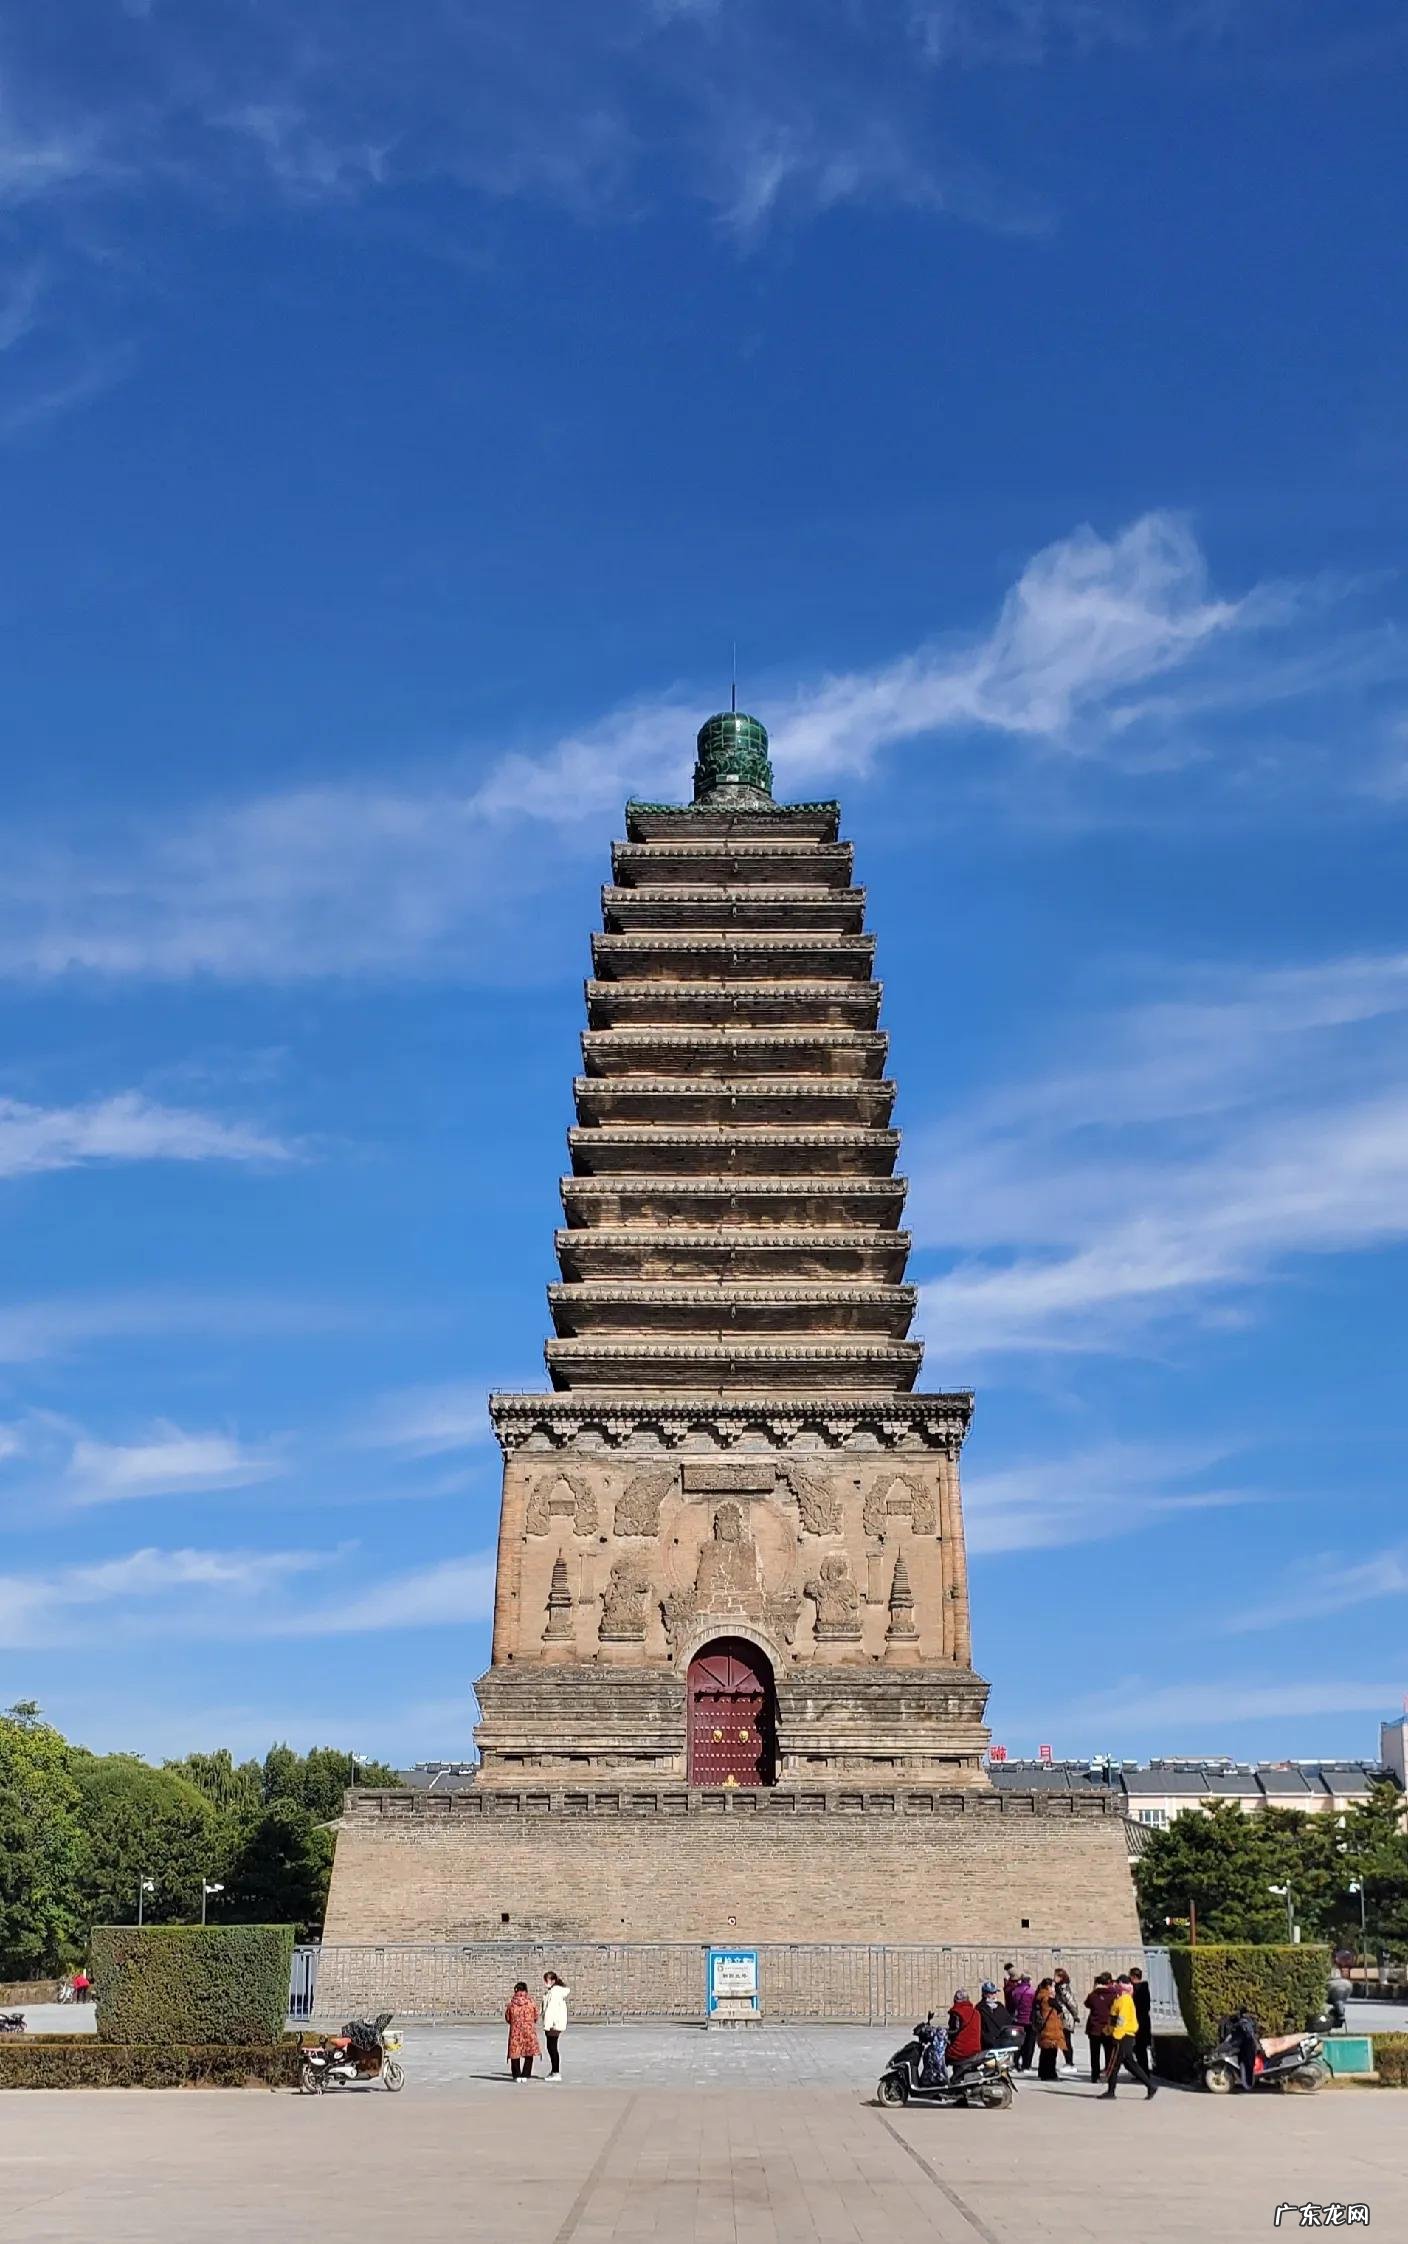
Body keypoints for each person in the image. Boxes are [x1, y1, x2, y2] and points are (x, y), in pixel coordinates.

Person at [1102, 1976, 1157, 2099]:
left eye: (1117, 1984)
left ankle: (1111, 2092)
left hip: (1123, 2035)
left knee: (1115, 2063)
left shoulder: (1125, 2000)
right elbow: (1113, 2018)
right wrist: (1107, 2030)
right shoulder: (1120, 1999)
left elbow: (1121, 2020)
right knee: (1129, 2063)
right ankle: (1150, 2086)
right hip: (1123, 2034)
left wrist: (1116, 2035)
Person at [1083, 1972, 1116, 2084]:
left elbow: (1087, 2004)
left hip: (1094, 2028)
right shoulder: (1113, 1994)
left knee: (1095, 2054)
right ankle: (1109, 2074)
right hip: (1108, 2028)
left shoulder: (1093, 1995)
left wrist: (1094, 1989)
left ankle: (1095, 2076)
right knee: (1109, 2053)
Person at [505, 1981, 540, 2082]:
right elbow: (536, 2016)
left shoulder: (512, 2004)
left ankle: (516, 2075)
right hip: (528, 2030)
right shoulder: (531, 2002)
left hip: (515, 2031)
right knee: (529, 2051)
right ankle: (526, 2073)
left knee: (515, 2052)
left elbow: (508, 2017)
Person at [1033, 1978, 1065, 2082]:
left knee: (1044, 2053)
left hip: (1043, 2028)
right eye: (1052, 1986)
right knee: (1051, 2054)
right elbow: (1060, 2008)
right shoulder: (1048, 1999)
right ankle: (1050, 2074)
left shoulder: (1039, 1996)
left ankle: (1042, 2073)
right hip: (1051, 2029)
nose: (1054, 1989)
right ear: (1048, 1987)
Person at [542, 1970, 570, 2082]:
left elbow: (551, 2010)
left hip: (554, 2024)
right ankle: (554, 2071)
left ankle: (556, 2072)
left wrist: (548, 2025)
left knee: (552, 2048)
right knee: (551, 2047)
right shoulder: (553, 1991)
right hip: (555, 2023)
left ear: (552, 1981)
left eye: (546, 1980)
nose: (545, 1983)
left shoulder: (555, 1992)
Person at [946, 1988, 982, 2071]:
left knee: (944, 2053)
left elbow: (954, 2030)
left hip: (960, 2051)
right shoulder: (976, 2013)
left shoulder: (957, 2013)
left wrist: (943, 2032)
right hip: (975, 2050)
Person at [1008, 1972, 1035, 2071]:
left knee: (1017, 2043)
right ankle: (1026, 2065)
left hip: (1018, 2020)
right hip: (1029, 2021)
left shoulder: (1016, 1991)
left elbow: (1012, 2004)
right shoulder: (1032, 1992)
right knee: (1029, 2044)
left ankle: (1015, 2063)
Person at [1128, 1965, 1153, 2076]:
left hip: (1137, 2021)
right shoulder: (1144, 1988)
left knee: (1139, 2049)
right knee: (1140, 2049)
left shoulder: (1135, 1989)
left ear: (1133, 1976)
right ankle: (1143, 2071)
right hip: (1144, 2021)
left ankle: (1142, 2072)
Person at [1052, 1967, 1078, 2070]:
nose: (1054, 1978)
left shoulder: (1063, 1988)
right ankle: (1068, 2061)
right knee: (1064, 2039)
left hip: (1065, 2016)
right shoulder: (1058, 1987)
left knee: (1066, 2040)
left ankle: (1069, 2062)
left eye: (1056, 1976)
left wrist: (1075, 2015)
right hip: (1062, 2015)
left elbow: (1070, 2002)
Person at [978, 1981, 1016, 2050]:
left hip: (1003, 2042)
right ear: (984, 1994)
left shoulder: (1000, 2006)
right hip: (988, 2045)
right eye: (991, 1993)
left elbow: (1008, 2021)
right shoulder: (979, 2008)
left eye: (995, 1992)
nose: (994, 1995)